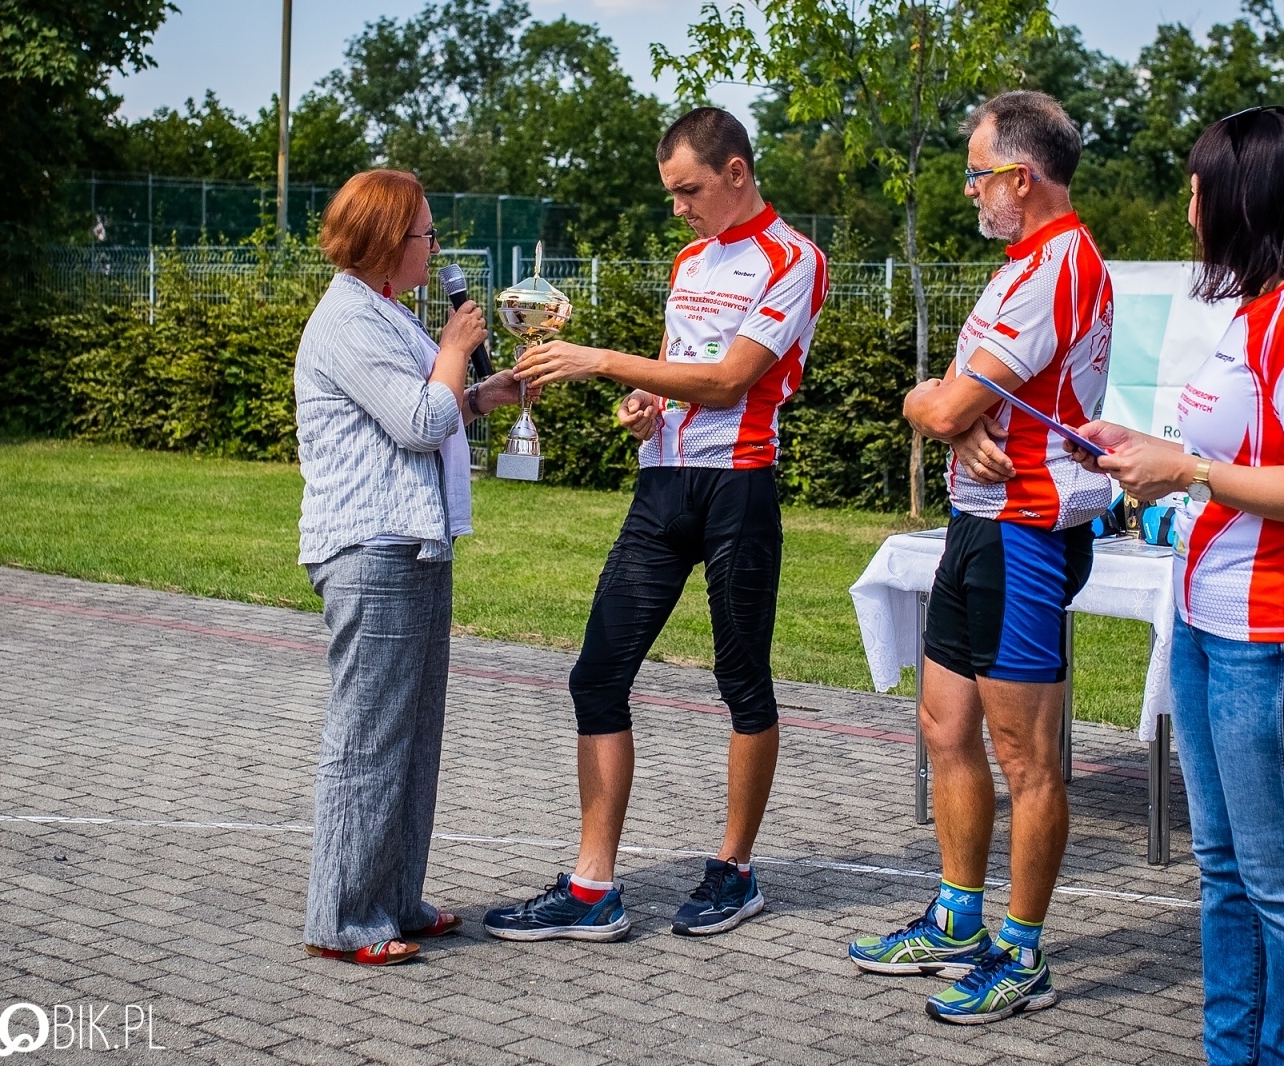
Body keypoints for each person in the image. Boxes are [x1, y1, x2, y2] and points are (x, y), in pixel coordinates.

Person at [480, 107, 827, 942]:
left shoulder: (795, 259)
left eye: (689, 191)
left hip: (738, 487)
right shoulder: (688, 259)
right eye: (670, 193)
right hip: (662, 486)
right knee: (595, 675)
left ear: (736, 173)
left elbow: (730, 380)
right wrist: (645, 402)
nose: (678, 208)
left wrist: (601, 362)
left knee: (741, 679)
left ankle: (734, 871)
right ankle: (593, 888)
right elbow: (682, 375)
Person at [1066, 107, 1284, 1065]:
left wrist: (1186, 472)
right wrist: (1152, 453)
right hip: (1208, 621)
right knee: (1223, 870)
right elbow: (1237, 456)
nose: (1188, 209)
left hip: (1276, 637)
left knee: (1278, 882)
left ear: (1240, 197)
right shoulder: (1253, 314)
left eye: (1197, 188)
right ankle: (1230, 1051)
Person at [847, 90, 1113, 1024]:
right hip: (978, 521)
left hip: (1026, 533)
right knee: (943, 724)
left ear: (1021, 176)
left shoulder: (1054, 268)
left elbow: (950, 407)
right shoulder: (1023, 263)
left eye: (976, 173)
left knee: (1026, 758)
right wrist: (949, 415)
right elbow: (960, 408)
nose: (969, 192)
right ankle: (958, 918)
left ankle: (1022, 953)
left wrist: (939, 412)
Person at [295, 169, 532, 966]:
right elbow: (418, 419)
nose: (437, 249)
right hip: (372, 547)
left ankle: (394, 897)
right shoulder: (347, 321)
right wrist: (459, 353)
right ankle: (345, 918)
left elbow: (433, 408)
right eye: (427, 235)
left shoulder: (385, 314)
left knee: (413, 735)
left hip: (415, 544)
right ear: (389, 242)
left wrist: (484, 393)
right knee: (368, 740)